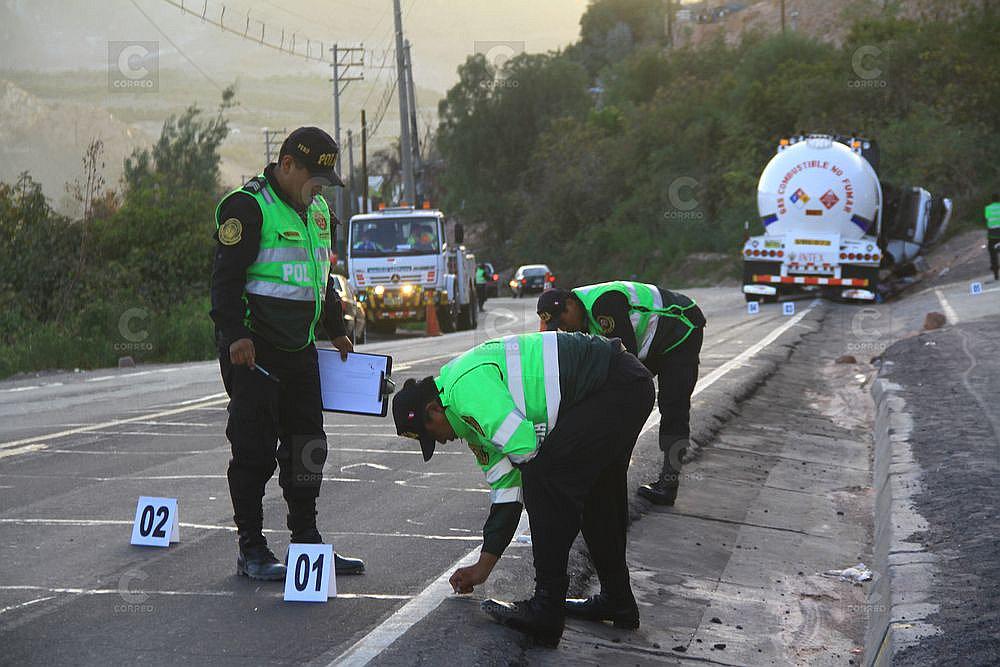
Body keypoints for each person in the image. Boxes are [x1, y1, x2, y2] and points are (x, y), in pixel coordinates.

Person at [391, 332, 655, 647]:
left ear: (434, 410)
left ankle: (546, 608)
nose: (441, 441)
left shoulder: (465, 389)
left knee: (545, 479)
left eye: (431, 434)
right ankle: (618, 601)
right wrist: (482, 569)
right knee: (597, 498)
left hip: (614, 385)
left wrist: (547, 506)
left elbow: (526, 450)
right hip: (618, 389)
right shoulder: (469, 421)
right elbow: (506, 490)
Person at [210, 126, 365, 580]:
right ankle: (252, 549)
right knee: (253, 450)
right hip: (254, 351)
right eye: (314, 178)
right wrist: (236, 334)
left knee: (307, 447)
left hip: (299, 349)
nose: (320, 188)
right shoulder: (248, 207)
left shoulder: (317, 212)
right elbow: (224, 281)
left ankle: (307, 545)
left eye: (326, 181)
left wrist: (335, 329)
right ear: (288, 165)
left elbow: (319, 279)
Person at [536, 282, 706, 506]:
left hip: (681, 328)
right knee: (617, 398)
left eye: (562, 321)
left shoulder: (603, 305)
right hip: (655, 341)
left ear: (570, 304)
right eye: (556, 327)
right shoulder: (581, 318)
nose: (563, 329)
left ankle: (668, 484)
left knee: (672, 406)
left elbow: (625, 364)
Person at [986, 194, 1000, 281]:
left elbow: (986, 219)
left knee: (992, 254)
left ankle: (996, 274)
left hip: (992, 235)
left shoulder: (988, 208)